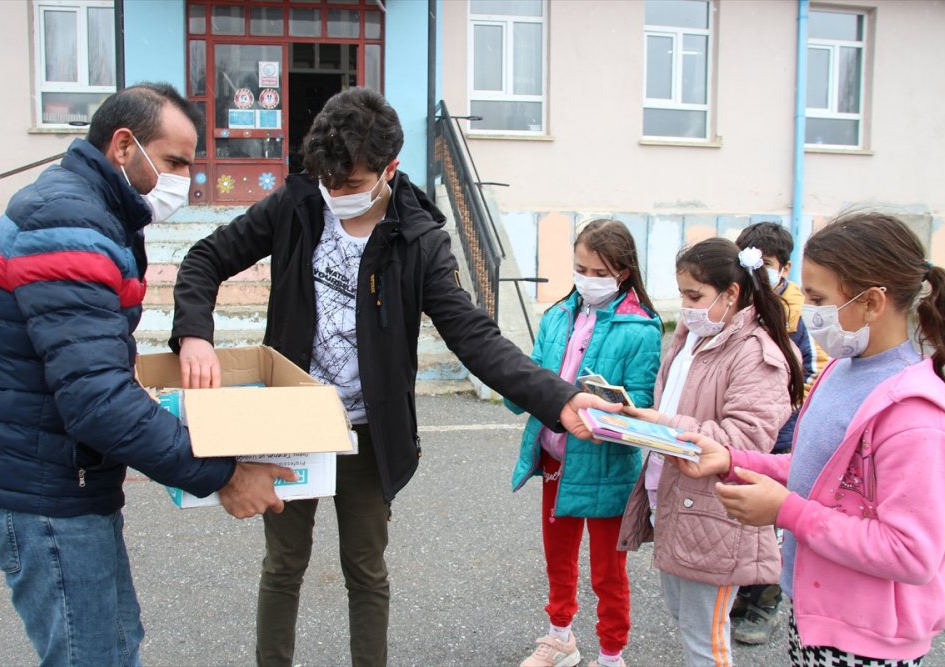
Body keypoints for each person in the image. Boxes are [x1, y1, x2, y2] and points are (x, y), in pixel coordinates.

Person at [169, 87, 620, 667]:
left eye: (351, 184)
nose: (336, 194)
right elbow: (205, 258)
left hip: (366, 432)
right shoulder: (296, 203)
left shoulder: (419, 240)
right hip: (289, 423)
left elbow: (473, 335)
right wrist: (195, 333)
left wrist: (557, 398)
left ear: (390, 168)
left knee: (365, 569)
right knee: (283, 565)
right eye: (328, 181)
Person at [0, 83, 294, 667]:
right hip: (44, 492)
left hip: (64, 480)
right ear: (123, 146)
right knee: (93, 656)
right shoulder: (68, 225)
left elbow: (90, 369)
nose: (184, 181)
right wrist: (223, 474)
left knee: (115, 645)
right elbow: (98, 402)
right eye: (174, 162)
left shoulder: (92, 214)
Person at [675, 212, 945, 667]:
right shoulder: (843, 370)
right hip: (818, 612)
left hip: (870, 640)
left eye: (818, 298)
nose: (807, 309)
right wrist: (730, 459)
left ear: (872, 302)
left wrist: (786, 511)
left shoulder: (916, 414)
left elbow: (911, 553)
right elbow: (818, 470)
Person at [617, 238, 804, 667]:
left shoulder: (757, 353)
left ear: (731, 293)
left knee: (706, 639)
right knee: (687, 620)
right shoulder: (694, 336)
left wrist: (660, 424)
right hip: (674, 499)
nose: (685, 306)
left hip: (716, 512)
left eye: (694, 296)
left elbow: (745, 440)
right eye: (682, 294)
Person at [508, 219, 662, 667]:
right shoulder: (557, 315)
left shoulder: (642, 328)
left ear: (623, 272)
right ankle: (560, 637)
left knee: (607, 570)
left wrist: (609, 409)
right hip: (555, 456)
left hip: (606, 464)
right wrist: (516, 388)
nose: (588, 280)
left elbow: (642, 403)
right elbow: (533, 372)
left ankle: (612, 655)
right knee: (558, 556)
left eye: (600, 273)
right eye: (581, 269)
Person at [729, 222, 828, 644]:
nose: (758, 271)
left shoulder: (797, 314)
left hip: (782, 437)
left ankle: (765, 601)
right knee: (744, 519)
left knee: (772, 522)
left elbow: (808, 373)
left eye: (767, 264)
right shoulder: (741, 302)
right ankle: (745, 588)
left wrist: (777, 407)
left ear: (785, 268)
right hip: (748, 437)